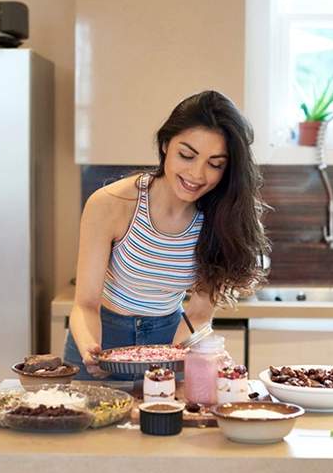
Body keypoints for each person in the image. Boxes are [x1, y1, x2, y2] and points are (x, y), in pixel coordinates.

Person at [64, 90, 269, 379]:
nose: (197, 174)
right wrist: (91, 351)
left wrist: (185, 356)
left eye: (215, 164)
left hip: (172, 338)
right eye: (186, 155)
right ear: (164, 145)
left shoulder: (220, 218)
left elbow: (198, 315)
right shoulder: (111, 204)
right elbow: (85, 304)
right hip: (100, 335)